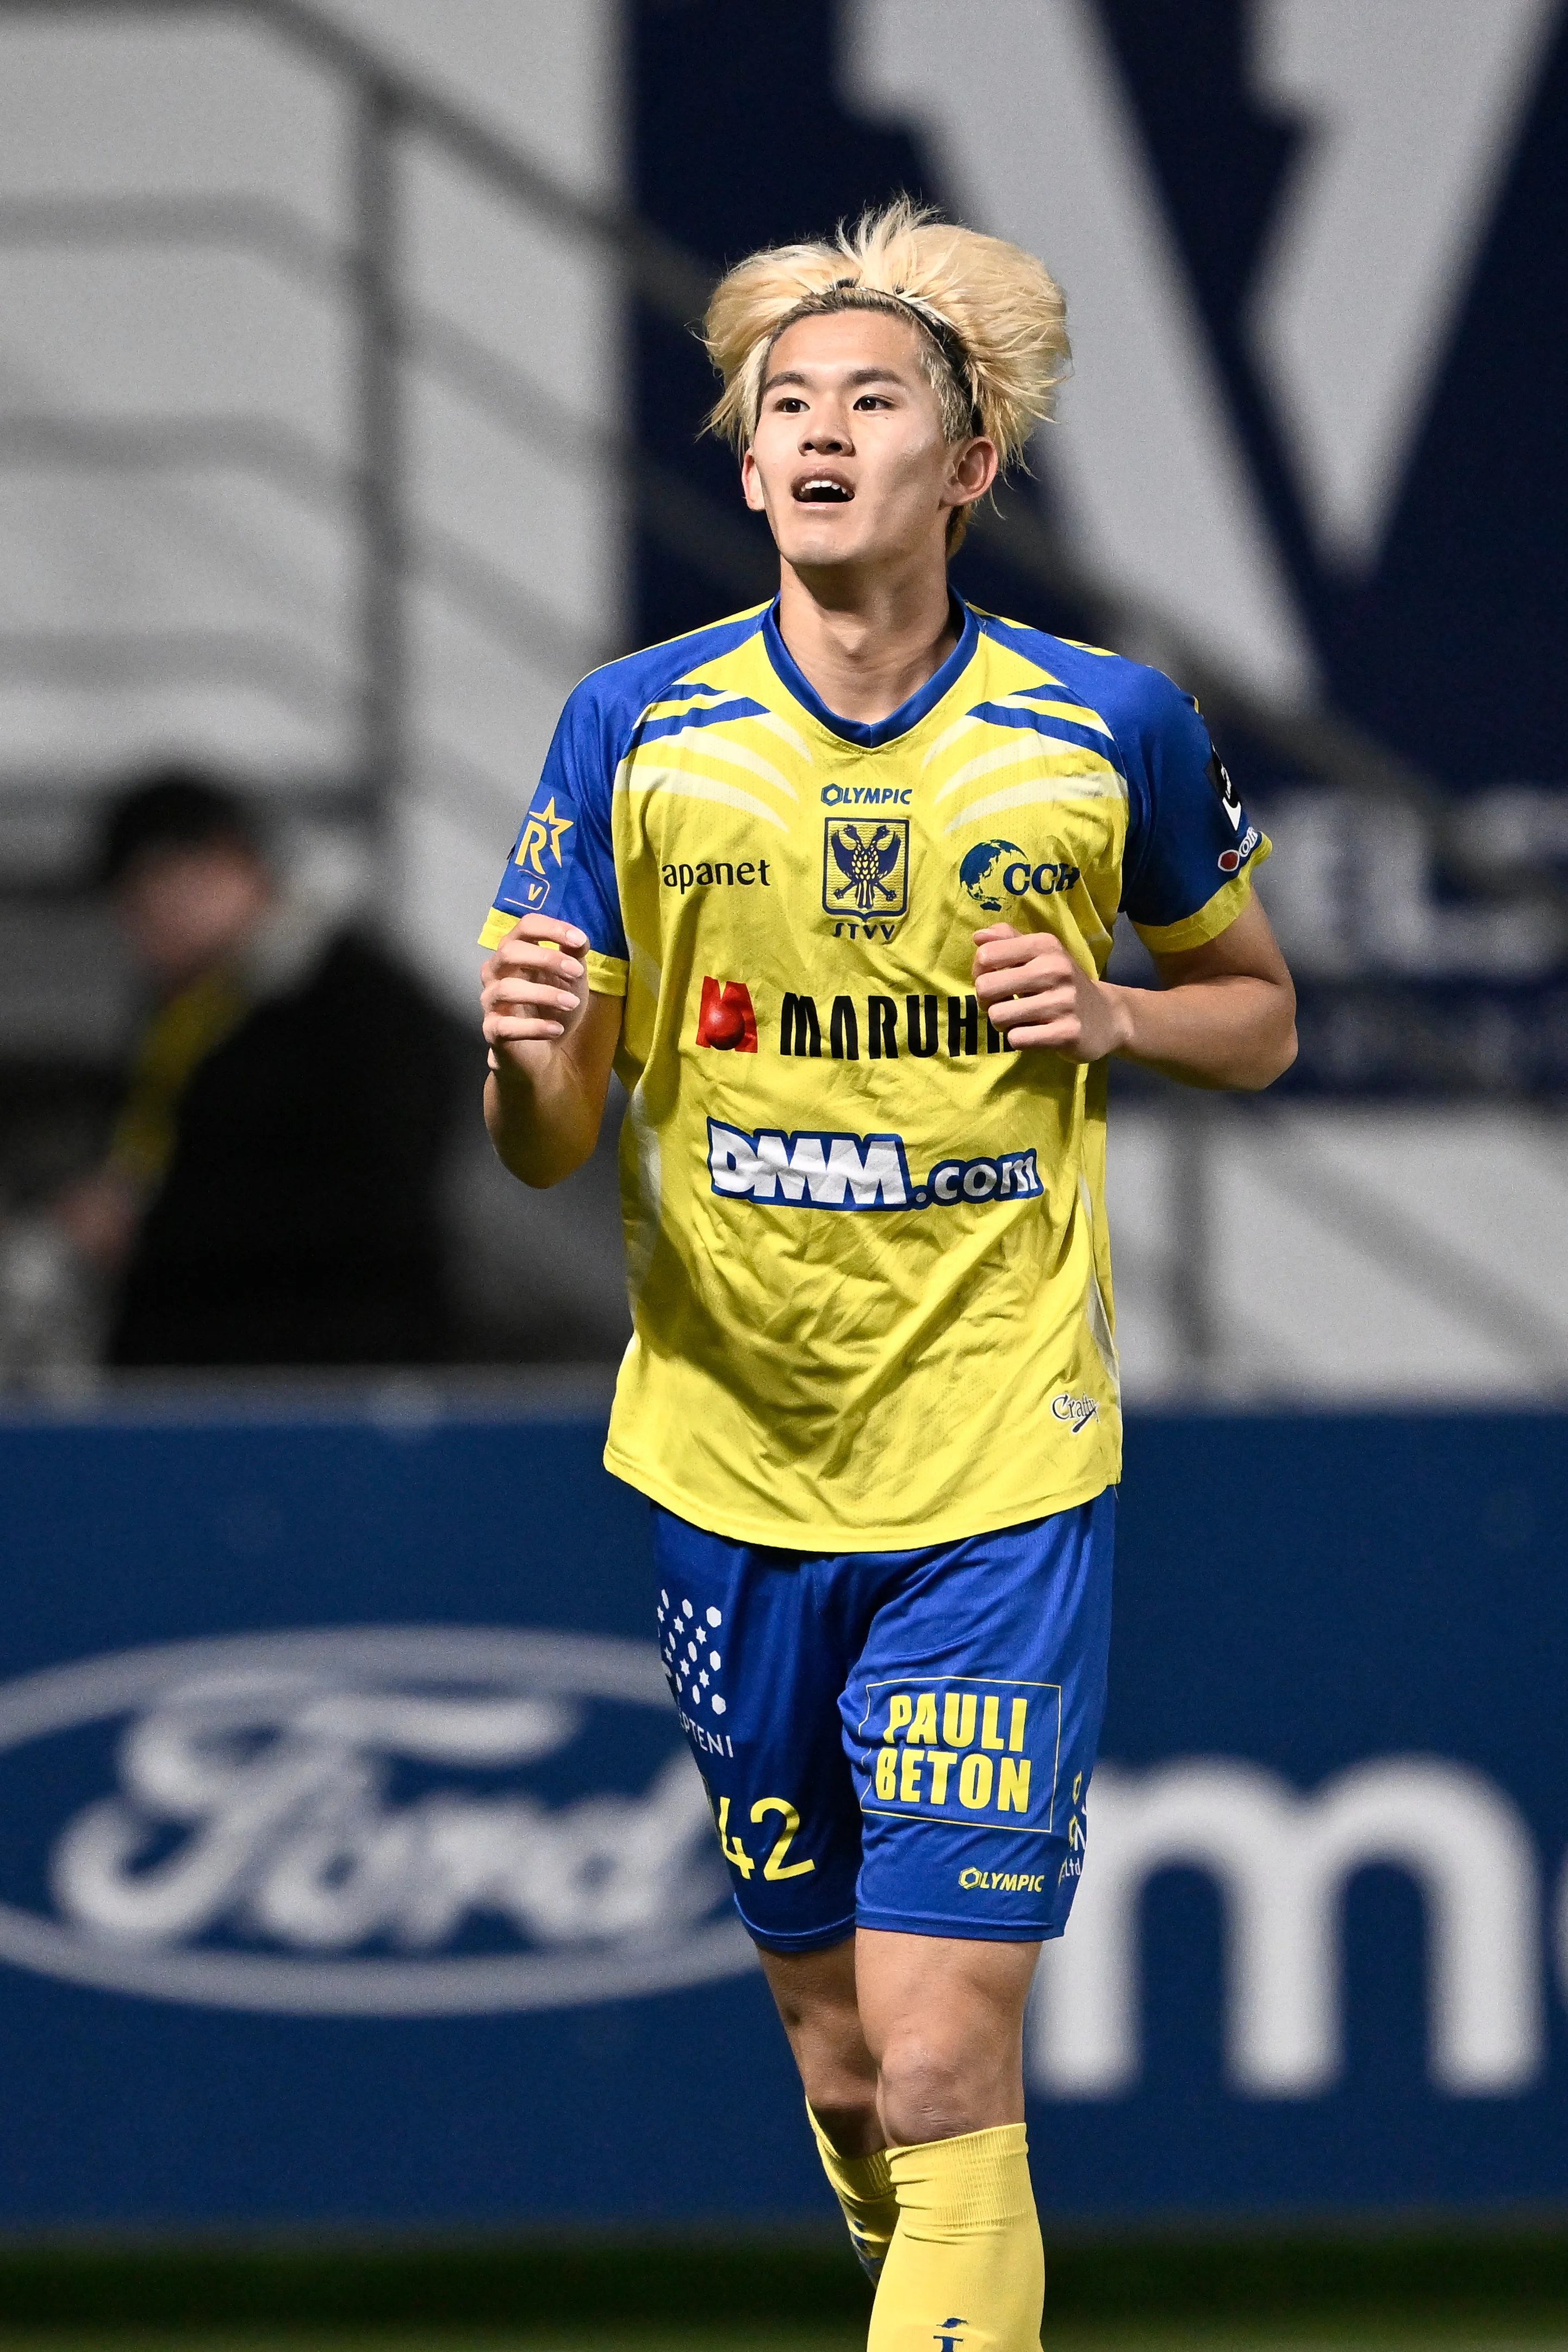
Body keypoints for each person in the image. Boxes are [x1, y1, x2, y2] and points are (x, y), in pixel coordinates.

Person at [478, 200, 1296, 2351]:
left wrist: (1119, 1013)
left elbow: (1265, 1013)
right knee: (848, 2074)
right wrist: (536, 1062)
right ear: (747, 470)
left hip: (994, 1465)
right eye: (787, 405)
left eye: (875, 400)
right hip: (728, 1465)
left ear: (967, 468)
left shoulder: (1101, 728)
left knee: (946, 2062)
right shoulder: (631, 737)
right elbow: (552, 1144)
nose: (821, 431)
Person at [61, 768, 464, 1366]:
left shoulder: (360, 1001)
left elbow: (379, 1197)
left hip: (319, 1380)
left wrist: (153, 1226)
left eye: (152, 894)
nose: (143, 928)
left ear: (228, 860)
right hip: (202, 1379)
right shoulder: (184, 1012)